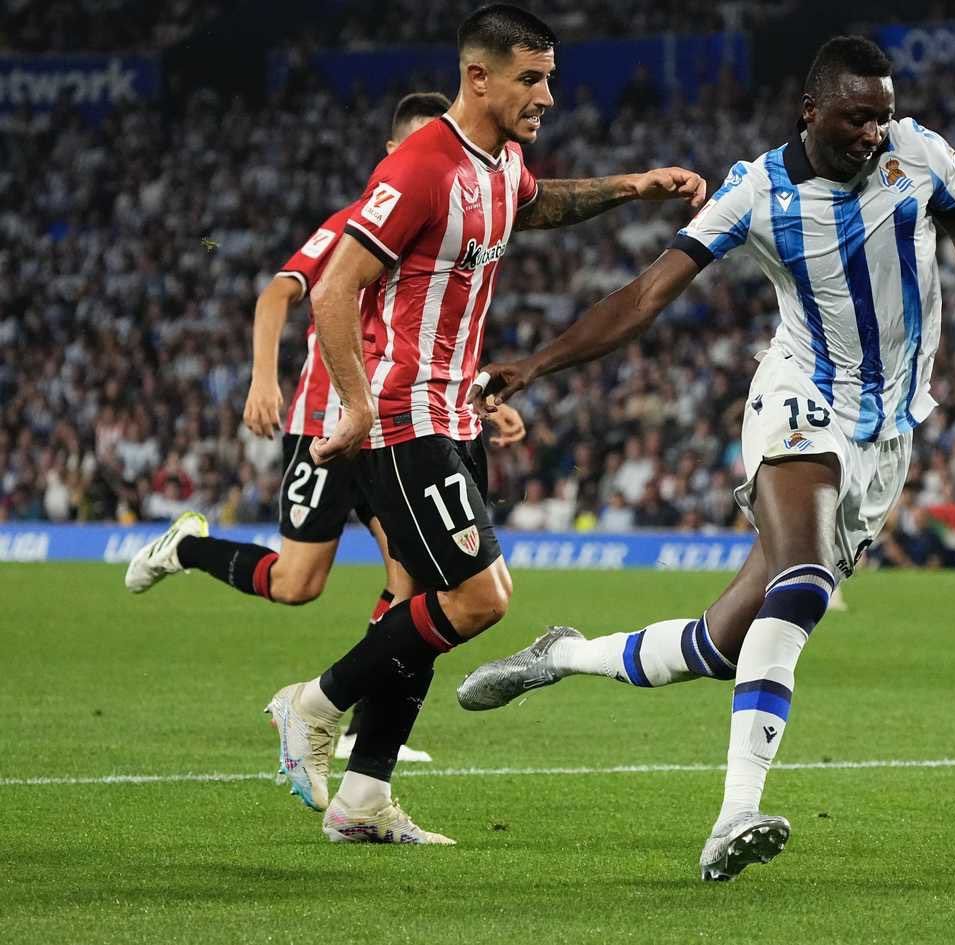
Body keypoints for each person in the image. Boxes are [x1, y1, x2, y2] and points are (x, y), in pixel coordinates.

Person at [455, 34, 955, 879]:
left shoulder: (923, 155)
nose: (875, 132)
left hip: (887, 431)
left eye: (884, 116)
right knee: (803, 584)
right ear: (811, 111)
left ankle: (562, 653)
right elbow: (649, 293)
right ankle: (735, 814)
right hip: (799, 394)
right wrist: (537, 364)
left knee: (724, 644)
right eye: (857, 117)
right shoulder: (755, 190)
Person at [260, 3, 706, 844]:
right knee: (479, 598)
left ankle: (361, 799)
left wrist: (633, 187)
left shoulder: (501, 163)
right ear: (479, 76)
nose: (547, 96)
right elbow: (330, 288)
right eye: (532, 79)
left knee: (424, 603)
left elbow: (535, 207)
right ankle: (312, 704)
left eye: (550, 78)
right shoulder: (425, 163)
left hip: (457, 408)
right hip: (404, 417)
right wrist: (356, 403)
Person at [121, 91, 525, 764]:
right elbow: (280, 291)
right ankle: (187, 548)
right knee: (297, 582)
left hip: (392, 426)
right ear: (394, 153)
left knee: (415, 581)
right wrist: (262, 376)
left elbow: (427, 336)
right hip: (324, 422)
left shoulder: (449, 221)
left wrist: (478, 392)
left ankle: (363, 731)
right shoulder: (356, 223)